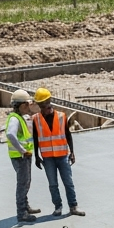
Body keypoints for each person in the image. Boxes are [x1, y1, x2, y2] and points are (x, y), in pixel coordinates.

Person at [31, 87, 83, 217]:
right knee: (53, 184)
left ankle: (73, 206)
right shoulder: (36, 119)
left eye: (46, 104)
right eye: (42, 105)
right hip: (48, 158)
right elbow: (36, 139)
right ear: (39, 106)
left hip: (62, 156)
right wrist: (36, 156)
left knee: (68, 183)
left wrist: (72, 152)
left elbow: (68, 134)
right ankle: (58, 207)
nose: (45, 108)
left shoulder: (61, 116)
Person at [5, 90, 41, 224]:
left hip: (22, 156)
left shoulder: (20, 117)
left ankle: (25, 207)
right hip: (20, 157)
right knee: (22, 184)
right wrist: (22, 150)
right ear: (20, 105)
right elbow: (10, 134)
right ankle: (22, 213)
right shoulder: (15, 119)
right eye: (26, 104)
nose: (28, 106)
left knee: (26, 182)